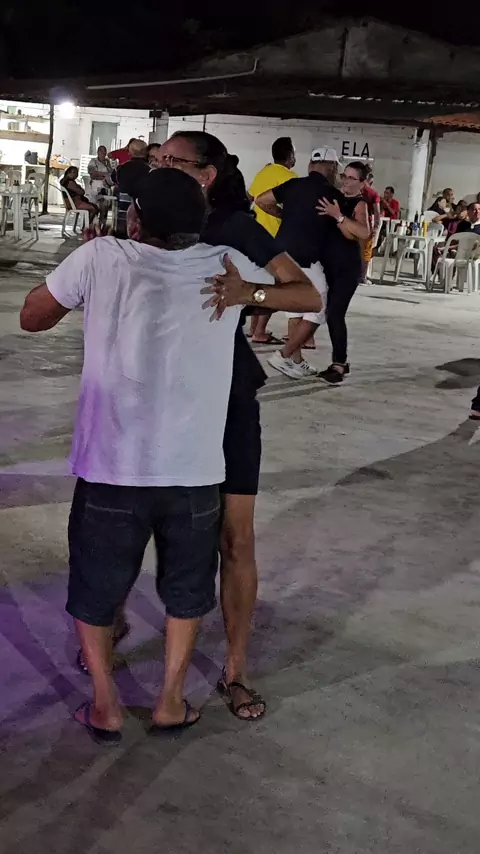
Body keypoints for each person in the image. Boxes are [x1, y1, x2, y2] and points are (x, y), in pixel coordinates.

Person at [20, 167, 306, 742]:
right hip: (194, 471)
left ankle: (105, 705)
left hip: (111, 468)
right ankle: (171, 701)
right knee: (186, 589)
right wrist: (250, 295)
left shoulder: (101, 257)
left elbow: (32, 317)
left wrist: (80, 275)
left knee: (96, 587)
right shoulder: (224, 264)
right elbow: (307, 294)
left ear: (134, 220)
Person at [76, 130, 321, 720]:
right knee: (122, 519)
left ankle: (235, 670)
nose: (159, 165)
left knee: (235, 536)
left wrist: (247, 292)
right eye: (158, 158)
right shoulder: (142, 221)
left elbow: (306, 295)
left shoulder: (234, 228)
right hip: (148, 402)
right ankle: (107, 626)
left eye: (173, 160)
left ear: (206, 175)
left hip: (224, 400)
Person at [255, 146, 341, 378]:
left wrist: (285, 215)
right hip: (306, 255)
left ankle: (295, 360)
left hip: (280, 254)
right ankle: (284, 355)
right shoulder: (332, 194)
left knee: (295, 307)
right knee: (319, 305)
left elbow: (261, 200)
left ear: (311, 166)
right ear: (332, 168)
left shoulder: (293, 185)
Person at [316, 161, 371, 384]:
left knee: (335, 314)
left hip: (346, 268)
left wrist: (339, 217)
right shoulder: (334, 198)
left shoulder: (360, 204)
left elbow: (363, 232)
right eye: (344, 176)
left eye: (351, 178)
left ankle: (339, 363)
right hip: (326, 264)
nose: (346, 181)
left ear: (362, 183)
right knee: (326, 312)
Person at [248, 137, 298, 344]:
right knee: (274, 286)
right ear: (290, 155)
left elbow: (250, 197)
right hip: (275, 236)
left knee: (257, 282)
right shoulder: (291, 177)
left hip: (255, 234)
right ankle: (260, 331)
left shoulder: (263, 172)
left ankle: (253, 328)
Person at [113, 140, 149, 236]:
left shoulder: (120, 168)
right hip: (143, 210)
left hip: (123, 208)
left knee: (121, 235)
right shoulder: (151, 169)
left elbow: (108, 181)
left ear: (130, 152)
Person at [360, 168, 381, 284]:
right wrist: (376, 227)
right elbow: (377, 212)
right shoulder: (373, 194)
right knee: (366, 252)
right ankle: (362, 277)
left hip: (350, 223)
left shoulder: (352, 189)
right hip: (366, 225)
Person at [87, 146, 113, 224]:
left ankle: (102, 224)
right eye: (101, 151)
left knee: (105, 206)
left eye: (105, 151)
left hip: (106, 185)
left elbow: (111, 173)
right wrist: (105, 174)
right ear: (98, 152)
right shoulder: (93, 161)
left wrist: (102, 175)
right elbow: (92, 173)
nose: (103, 153)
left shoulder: (107, 162)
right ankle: (92, 224)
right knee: (95, 205)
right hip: (96, 184)